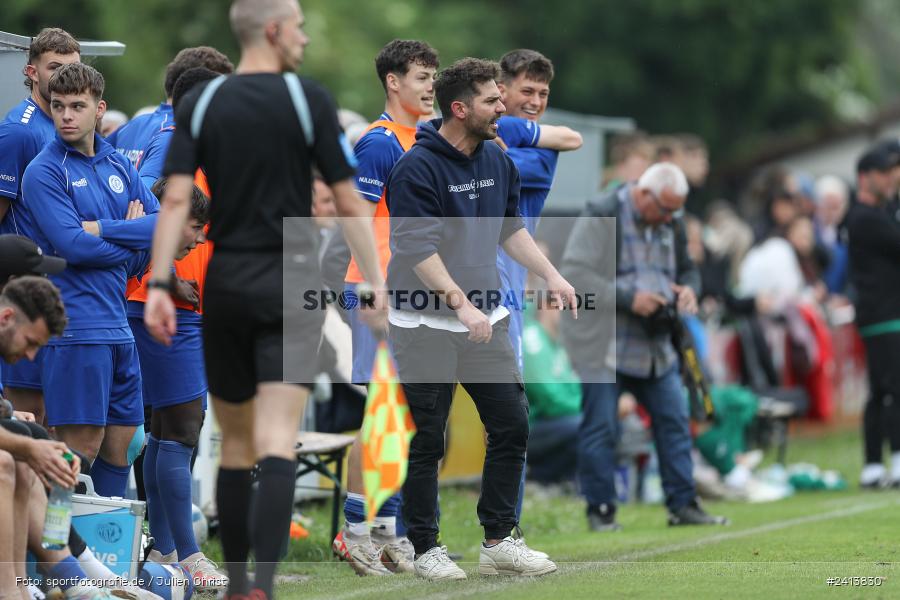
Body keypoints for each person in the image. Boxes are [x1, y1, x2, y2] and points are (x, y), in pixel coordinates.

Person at [143, 1, 385, 598]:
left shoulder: (201, 103)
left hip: (226, 283)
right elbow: (350, 200)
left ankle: (236, 580)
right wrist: (373, 280)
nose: (303, 36)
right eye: (299, 26)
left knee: (236, 446)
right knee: (278, 440)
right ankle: (263, 587)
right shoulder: (309, 100)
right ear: (274, 31)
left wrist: (157, 282)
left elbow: (174, 201)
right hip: (288, 281)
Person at [386, 57, 573, 581]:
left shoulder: (497, 157)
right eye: (493, 100)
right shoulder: (416, 168)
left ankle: (500, 539)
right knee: (428, 438)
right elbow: (417, 249)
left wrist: (552, 277)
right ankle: (425, 548)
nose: (503, 108)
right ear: (460, 108)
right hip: (423, 321)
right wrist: (460, 304)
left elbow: (511, 231)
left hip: (487, 316)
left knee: (511, 424)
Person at [560, 162, 729, 531]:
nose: (670, 217)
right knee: (601, 428)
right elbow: (574, 274)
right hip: (604, 345)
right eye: (665, 209)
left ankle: (683, 505)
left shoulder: (672, 221)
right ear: (644, 193)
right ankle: (601, 511)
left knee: (674, 423)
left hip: (656, 347)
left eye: (676, 211)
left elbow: (688, 271)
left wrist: (689, 291)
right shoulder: (602, 212)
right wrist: (629, 297)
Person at [22, 62, 160, 497]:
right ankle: (56, 561)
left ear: (99, 109)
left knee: (124, 446)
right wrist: (130, 241)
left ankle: (107, 562)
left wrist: (102, 229)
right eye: (59, 106)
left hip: (119, 326)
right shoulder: (44, 171)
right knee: (78, 452)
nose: (66, 115)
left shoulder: (117, 161)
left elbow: (162, 223)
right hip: (77, 328)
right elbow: (73, 246)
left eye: (77, 106)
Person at [332, 38, 439, 578]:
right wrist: (373, 288)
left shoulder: (421, 137)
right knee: (381, 412)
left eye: (433, 76)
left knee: (402, 416)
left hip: (411, 295)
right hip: (378, 292)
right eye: (421, 77)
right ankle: (354, 532)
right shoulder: (378, 143)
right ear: (393, 82)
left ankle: (388, 531)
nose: (430, 86)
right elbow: (357, 221)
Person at [126, 178, 225, 589]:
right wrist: (162, 277)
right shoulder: (172, 144)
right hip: (163, 307)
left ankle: (166, 550)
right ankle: (188, 555)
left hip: (180, 308)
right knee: (181, 429)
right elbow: (150, 209)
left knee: (167, 430)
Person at [0, 27, 80, 425]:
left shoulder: (71, 127)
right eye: (55, 68)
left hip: (65, 287)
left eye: (73, 68)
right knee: (26, 417)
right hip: (27, 293)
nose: (65, 76)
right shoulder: (19, 131)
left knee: (57, 421)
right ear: (32, 71)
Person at [845, 141, 900, 488]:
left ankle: (874, 466)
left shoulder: (880, 214)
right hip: (883, 314)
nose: (891, 179)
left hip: (885, 312)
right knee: (892, 388)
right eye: (884, 172)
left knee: (882, 389)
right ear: (865, 178)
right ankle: (890, 461)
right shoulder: (864, 218)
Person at [107, 46, 234, 166]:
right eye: (219, 89)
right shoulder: (176, 132)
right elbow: (148, 187)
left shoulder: (132, 125)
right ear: (196, 83)